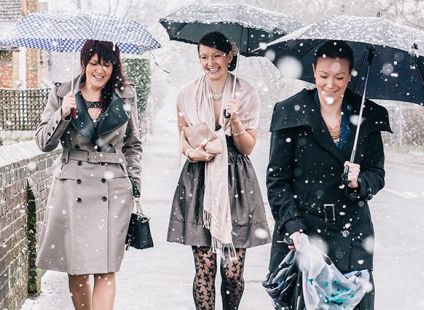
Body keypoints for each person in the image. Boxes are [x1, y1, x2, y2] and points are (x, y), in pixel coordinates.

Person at [266, 40, 391, 310]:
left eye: (339, 77)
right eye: (324, 76)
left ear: (350, 75)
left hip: (352, 235)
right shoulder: (290, 111)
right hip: (303, 234)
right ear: (313, 70)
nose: (330, 84)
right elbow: (277, 181)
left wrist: (360, 181)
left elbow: (377, 173)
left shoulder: (367, 114)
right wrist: (293, 228)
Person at [34, 40, 142, 310]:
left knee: (106, 267)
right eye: (94, 63)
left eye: (107, 64)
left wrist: (134, 184)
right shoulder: (63, 92)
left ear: (114, 67)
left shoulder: (125, 95)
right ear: (84, 63)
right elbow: (43, 142)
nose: (100, 70)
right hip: (73, 187)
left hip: (114, 188)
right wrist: (62, 114)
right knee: (78, 268)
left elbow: (133, 144)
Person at [167, 31, 271, 310]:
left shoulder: (246, 93)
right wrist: (192, 153)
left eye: (216, 56)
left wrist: (235, 120)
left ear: (230, 56)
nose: (210, 63)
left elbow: (247, 147)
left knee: (233, 273)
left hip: (236, 180)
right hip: (198, 179)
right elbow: (183, 138)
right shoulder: (186, 94)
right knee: (204, 269)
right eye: (204, 57)